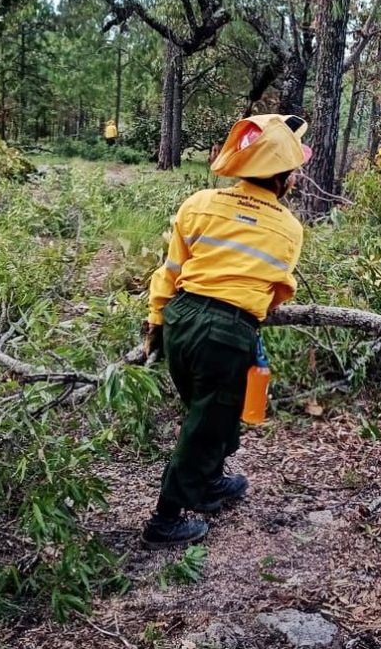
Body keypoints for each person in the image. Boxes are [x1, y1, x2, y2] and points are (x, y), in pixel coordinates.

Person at [140, 113, 311, 548]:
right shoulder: (288, 229)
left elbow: (170, 269)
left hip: (180, 319)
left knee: (208, 412)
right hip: (227, 333)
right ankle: (164, 521)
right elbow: (277, 292)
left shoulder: (198, 203)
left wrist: (156, 321)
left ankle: (211, 482)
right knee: (202, 425)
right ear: (284, 178)